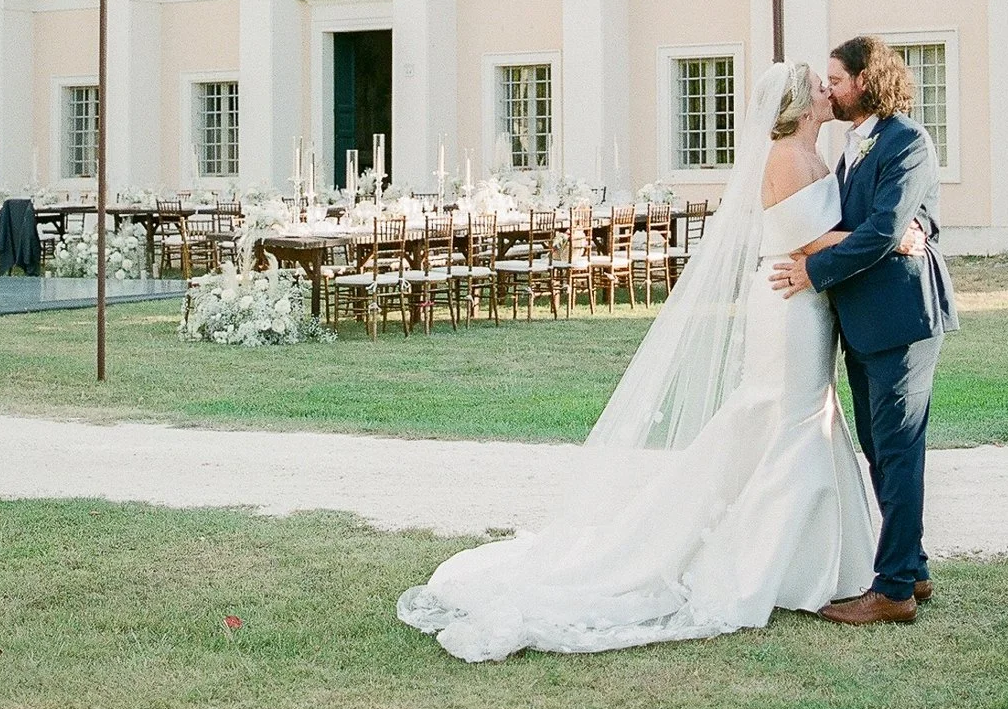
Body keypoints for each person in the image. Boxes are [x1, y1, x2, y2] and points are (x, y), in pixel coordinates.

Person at [396, 61, 929, 661]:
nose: (828, 91)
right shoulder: (783, 156)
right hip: (788, 303)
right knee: (785, 418)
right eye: (819, 85)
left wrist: (884, 230)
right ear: (803, 106)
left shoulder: (821, 154)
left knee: (806, 417)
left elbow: (839, 227)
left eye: (832, 81)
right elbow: (806, 241)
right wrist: (894, 235)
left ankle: (846, 563)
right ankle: (764, 564)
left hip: (809, 302)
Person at [767, 35, 958, 624]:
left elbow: (880, 231)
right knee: (880, 450)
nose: (830, 89)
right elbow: (881, 222)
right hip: (861, 319)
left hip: (902, 318)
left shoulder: (907, 140)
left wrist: (811, 269)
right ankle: (915, 567)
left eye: (839, 79)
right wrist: (911, 225)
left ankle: (894, 589)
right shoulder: (853, 143)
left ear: (867, 81)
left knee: (898, 452)